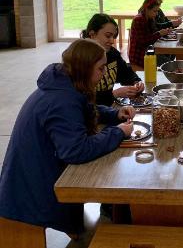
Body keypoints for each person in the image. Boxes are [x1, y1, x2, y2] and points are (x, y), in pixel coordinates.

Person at [0, 39, 134, 235]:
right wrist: (118, 132)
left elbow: (84, 109)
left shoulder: (65, 84)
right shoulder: (61, 100)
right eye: (101, 68)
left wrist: (114, 114)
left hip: (37, 172)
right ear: (84, 68)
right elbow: (76, 150)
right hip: (28, 191)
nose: (104, 74)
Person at [81, 13, 144, 106]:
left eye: (113, 37)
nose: (112, 41)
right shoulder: (80, 60)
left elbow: (126, 73)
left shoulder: (112, 53)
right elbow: (83, 100)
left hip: (108, 109)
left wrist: (137, 82)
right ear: (92, 34)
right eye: (108, 36)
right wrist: (115, 94)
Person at [129, 0, 171, 69]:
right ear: (147, 9)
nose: (157, 13)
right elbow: (144, 41)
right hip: (140, 55)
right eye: (155, 11)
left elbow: (156, 28)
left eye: (157, 11)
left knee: (169, 55)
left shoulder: (149, 18)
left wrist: (164, 30)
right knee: (169, 65)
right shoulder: (139, 19)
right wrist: (159, 33)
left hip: (148, 51)